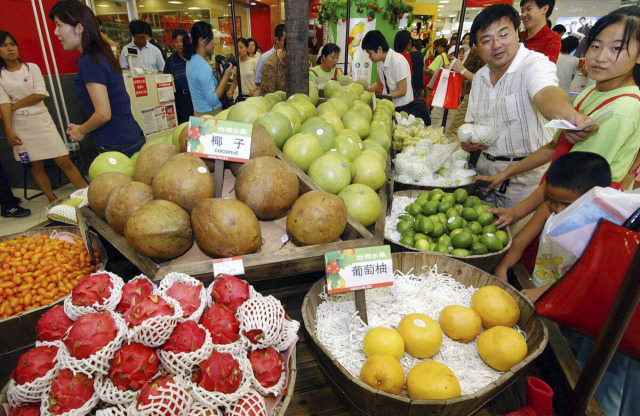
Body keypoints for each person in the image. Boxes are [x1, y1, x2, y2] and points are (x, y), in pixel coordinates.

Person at [477, 6, 640, 229]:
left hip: (576, 212)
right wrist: (505, 174)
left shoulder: (622, 108)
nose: (601, 57)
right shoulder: (592, 92)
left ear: (517, 32)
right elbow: (555, 146)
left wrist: (518, 221)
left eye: (616, 48)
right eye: (595, 45)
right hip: (555, 199)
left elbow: (570, 184)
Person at [463, 3, 594, 212]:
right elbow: (471, 123)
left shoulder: (534, 65)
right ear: (477, 48)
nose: (496, 44)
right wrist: (467, 142)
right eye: (486, 40)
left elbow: (546, 92)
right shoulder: (479, 78)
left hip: (524, 180)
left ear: (517, 33)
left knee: (515, 238)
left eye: (503, 34)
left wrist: (569, 116)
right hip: (485, 171)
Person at [494, 151, 611, 285]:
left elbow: (586, 277)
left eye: (567, 204)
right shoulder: (547, 210)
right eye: (552, 200)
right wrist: (501, 268)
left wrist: (542, 292)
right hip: (537, 282)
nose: (558, 209)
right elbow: (519, 243)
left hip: (565, 294)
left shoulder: (601, 227)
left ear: (595, 198)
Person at [49, 0, 146, 157]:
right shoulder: (100, 54)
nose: (56, 32)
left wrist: (81, 130)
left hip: (117, 144)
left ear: (79, 28)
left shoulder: (91, 61)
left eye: (59, 25)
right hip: (127, 137)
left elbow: (103, 114)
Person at [0, 30, 86, 203]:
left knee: (63, 159)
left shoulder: (32, 68)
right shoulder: (1, 76)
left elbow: (39, 94)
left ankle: (86, 195)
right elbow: (3, 105)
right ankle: (52, 199)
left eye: (12, 44)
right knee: (35, 164)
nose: (10, 49)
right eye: (3, 46)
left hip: (41, 120)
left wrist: (14, 105)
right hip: (20, 126)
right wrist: (8, 130)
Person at [183, 21, 233, 117]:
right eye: (211, 38)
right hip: (210, 115)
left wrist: (220, 76)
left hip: (198, 113)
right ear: (201, 40)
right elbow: (213, 99)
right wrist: (226, 77)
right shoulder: (202, 66)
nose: (214, 43)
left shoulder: (191, 60)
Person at [361, 30, 413, 107]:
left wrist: (382, 98)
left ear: (379, 49)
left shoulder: (397, 62)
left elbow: (402, 91)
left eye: (370, 53)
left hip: (403, 106)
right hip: (389, 103)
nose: (369, 57)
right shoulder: (380, 61)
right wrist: (362, 90)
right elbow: (379, 84)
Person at [164, 29, 193, 124]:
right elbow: (166, 82)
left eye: (181, 41)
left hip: (195, 97)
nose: (179, 44)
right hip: (180, 99)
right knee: (184, 126)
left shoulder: (193, 57)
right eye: (176, 41)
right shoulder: (170, 61)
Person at [255, 24, 285, 92]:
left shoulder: (291, 58)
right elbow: (257, 81)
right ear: (277, 40)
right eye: (285, 40)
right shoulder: (265, 57)